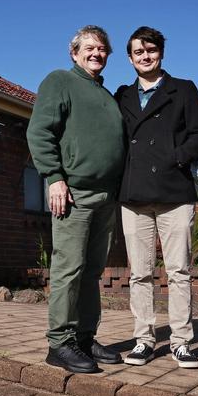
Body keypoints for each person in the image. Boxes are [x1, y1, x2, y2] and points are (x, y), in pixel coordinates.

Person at [27, 25, 125, 373]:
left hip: (105, 197)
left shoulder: (106, 95)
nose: (97, 53)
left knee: (92, 272)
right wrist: (54, 179)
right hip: (74, 193)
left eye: (102, 49)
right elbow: (40, 132)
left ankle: (84, 337)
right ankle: (60, 343)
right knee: (68, 269)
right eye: (90, 48)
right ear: (74, 52)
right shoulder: (60, 81)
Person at [115, 26, 198, 369]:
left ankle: (181, 342)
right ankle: (143, 340)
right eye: (138, 52)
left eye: (151, 50)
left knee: (178, 271)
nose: (145, 56)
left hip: (174, 192)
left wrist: (175, 158)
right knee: (139, 273)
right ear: (130, 58)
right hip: (134, 194)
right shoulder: (122, 95)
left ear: (161, 53)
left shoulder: (183, 89)